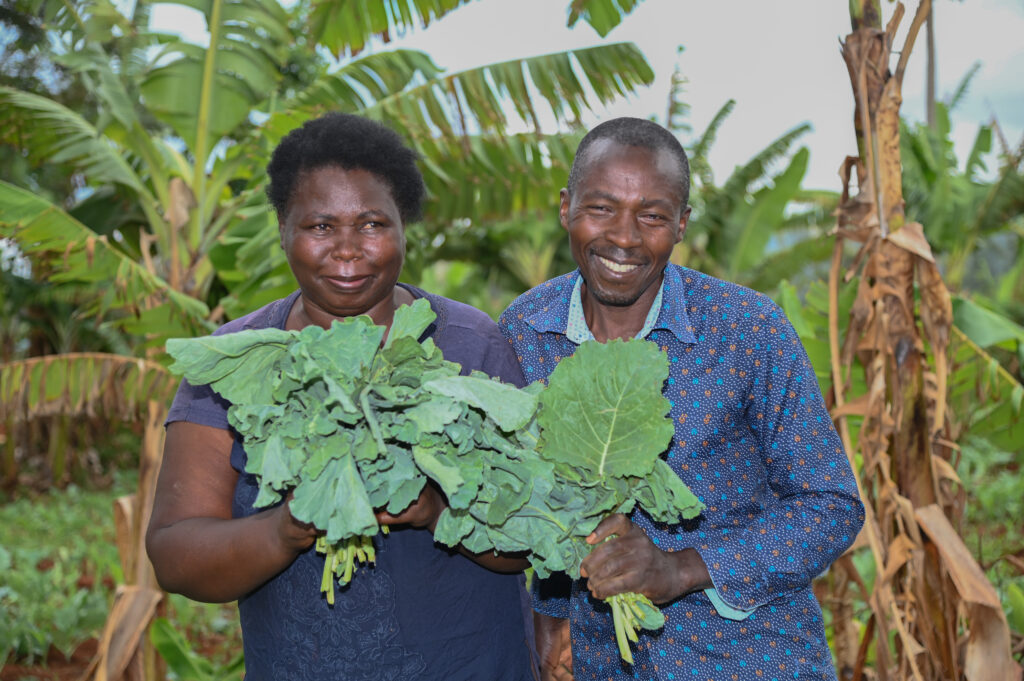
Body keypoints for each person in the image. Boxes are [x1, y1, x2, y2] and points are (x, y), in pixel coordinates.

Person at [146, 112, 538, 681]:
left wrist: (436, 509)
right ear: (283, 228)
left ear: (406, 227)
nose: (348, 250)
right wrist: (287, 528)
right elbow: (174, 556)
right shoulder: (230, 362)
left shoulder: (471, 344)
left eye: (373, 223)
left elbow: (537, 537)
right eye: (321, 226)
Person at [499, 117, 865, 681]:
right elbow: (539, 502)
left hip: (751, 661)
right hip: (603, 663)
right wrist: (550, 615)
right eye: (600, 208)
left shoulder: (747, 329)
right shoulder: (526, 331)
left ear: (682, 224)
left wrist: (685, 568)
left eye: (652, 216)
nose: (623, 237)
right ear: (566, 206)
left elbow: (831, 505)